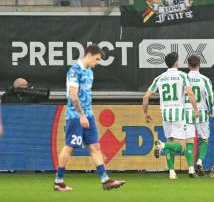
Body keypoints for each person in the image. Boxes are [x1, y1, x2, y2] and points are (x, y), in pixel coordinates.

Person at [53, 45, 125, 192]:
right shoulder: (74, 71)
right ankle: (59, 181)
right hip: (75, 116)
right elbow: (73, 96)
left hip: (88, 115)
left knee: (95, 146)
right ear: (89, 55)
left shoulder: (90, 72)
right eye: (97, 59)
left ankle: (105, 179)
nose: (98, 62)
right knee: (70, 147)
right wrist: (81, 115)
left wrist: (87, 115)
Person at [142, 52, 199, 179]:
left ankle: (172, 172)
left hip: (165, 113)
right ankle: (161, 145)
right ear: (177, 62)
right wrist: (196, 109)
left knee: (170, 140)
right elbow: (190, 93)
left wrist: (146, 113)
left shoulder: (160, 77)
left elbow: (146, 96)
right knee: (180, 146)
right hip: (178, 113)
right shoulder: (183, 75)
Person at [185, 55, 214, 177]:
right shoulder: (205, 79)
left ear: (188, 65)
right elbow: (210, 96)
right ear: (199, 65)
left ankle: (191, 168)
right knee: (204, 139)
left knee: (190, 140)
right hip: (201, 111)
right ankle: (200, 161)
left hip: (187, 111)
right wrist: (211, 110)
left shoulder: (184, 78)